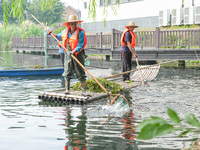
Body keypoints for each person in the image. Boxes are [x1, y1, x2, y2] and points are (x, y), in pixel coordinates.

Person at [48, 15, 87, 95]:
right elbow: (59, 37)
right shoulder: (65, 31)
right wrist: (52, 34)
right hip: (67, 53)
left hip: (78, 54)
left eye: (74, 23)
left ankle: (83, 91)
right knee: (67, 70)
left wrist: (74, 51)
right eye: (71, 24)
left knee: (80, 72)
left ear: (77, 23)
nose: (73, 25)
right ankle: (67, 90)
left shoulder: (81, 32)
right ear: (69, 24)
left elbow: (80, 44)